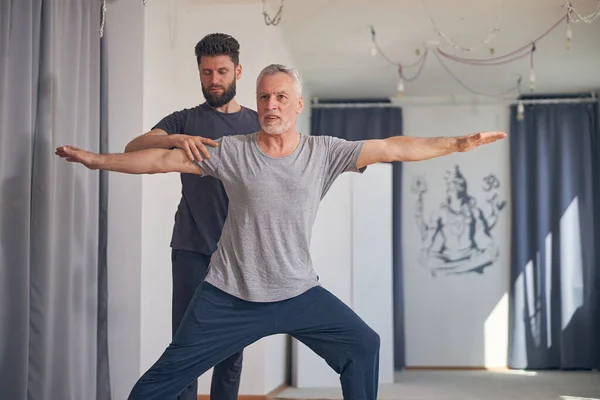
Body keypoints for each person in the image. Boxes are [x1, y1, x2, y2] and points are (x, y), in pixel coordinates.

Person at [56, 64, 506, 400]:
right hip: (230, 294)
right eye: (265, 97)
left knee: (363, 345)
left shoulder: (324, 152)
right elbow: (159, 161)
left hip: (296, 292)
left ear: (297, 105)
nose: (271, 105)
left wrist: (456, 144)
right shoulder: (232, 151)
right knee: (163, 379)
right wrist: (99, 160)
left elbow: (392, 148)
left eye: (280, 98)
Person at [123, 33, 259, 400]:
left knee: (231, 352)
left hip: (241, 255)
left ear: (238, 71)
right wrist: (175, 139)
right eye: (206, 72)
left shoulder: (259, 125)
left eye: (221, 72)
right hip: (191, 247)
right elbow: (133, 147)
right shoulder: (183, 120)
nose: (214, 80)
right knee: (186, 347)